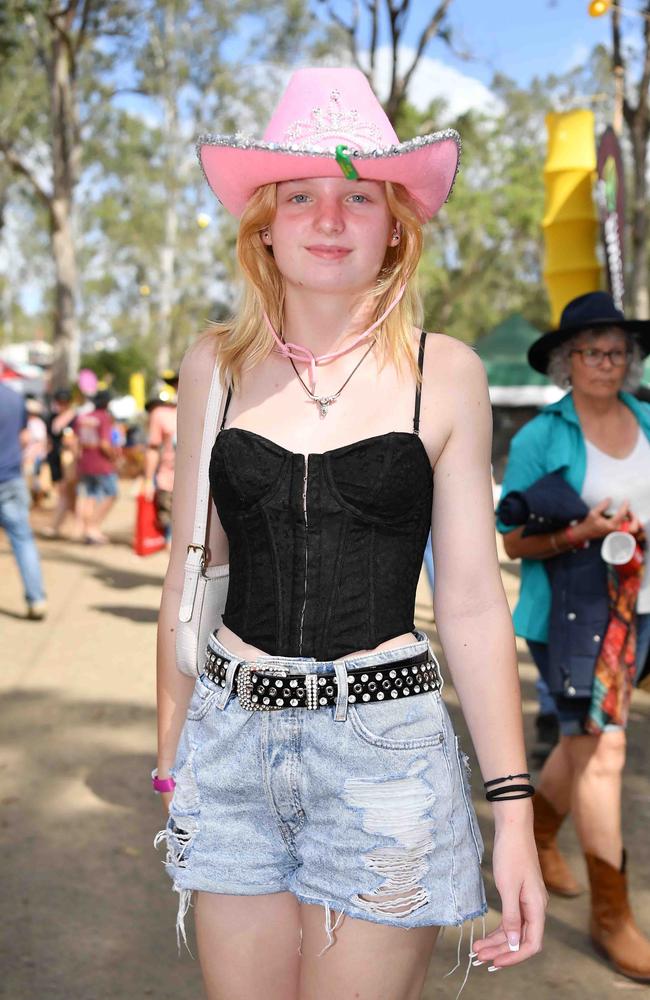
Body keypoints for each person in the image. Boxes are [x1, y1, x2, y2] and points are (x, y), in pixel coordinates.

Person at [154, 68, 546, 1000]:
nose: (328, 220)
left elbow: (473, 605)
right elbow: (189, 571)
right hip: (229, 742)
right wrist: (171, 764)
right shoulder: (214, 362)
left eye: (356, 197)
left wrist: (515, 816)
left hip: (384, 754)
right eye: (301, 196)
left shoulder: (443, 374)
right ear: (266, 225)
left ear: (395, 225)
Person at [498, 291, 650, 982]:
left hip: (639, 612)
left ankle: (533, 833)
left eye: (618, 351)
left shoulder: (649, 417)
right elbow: (513, 541)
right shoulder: (540, 437)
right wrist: (577, 533)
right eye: (592, 350)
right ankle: (612, 915)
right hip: (569, 616)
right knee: (605, 751)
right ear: (567, 361)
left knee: (581, 743)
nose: (607, 362)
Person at [0, 382, 47, 619]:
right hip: (10, 478)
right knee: (22, 539)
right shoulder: (14, 397)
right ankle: (36, 599)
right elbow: (24, 437)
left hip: (9, 477)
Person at [72, 389, 119, 544]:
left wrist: (77, 461)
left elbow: (75, 442)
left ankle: (87, 530)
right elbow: (104, 444)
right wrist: (113, 457)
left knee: (90, 496)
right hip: (101, 464)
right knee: (112, 494)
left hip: (85, 462)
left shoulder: (83, 417)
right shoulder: (103, 418)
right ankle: (92, 528)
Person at [143, 373, 178, 546]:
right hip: (168, 479)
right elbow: (153, 448)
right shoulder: (160, 414)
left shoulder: (205, 409)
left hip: (200, 482)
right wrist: (148, 480)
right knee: (168, 521)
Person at [42, 388, 78, 538]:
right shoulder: (52, 418)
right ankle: (78, 524)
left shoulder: (75, 418)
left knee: (66, 492)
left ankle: (57, 526)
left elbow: (73, 441)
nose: (61, 405)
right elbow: (49, 439)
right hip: (56, 459)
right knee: (67, 494)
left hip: (68, 460)